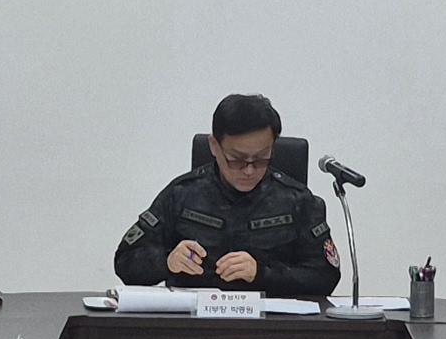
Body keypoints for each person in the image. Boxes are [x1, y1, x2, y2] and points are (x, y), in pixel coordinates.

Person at [113, 94, 341, 300]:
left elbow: (326, 276)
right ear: (214, 146)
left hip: (271, 327)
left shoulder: (297, 201)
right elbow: (125, 261)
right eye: (237, 159)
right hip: (195, 325)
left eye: (262, 158)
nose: (249, 170)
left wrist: (263, 274)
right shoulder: (181, 194)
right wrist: (166, 261)